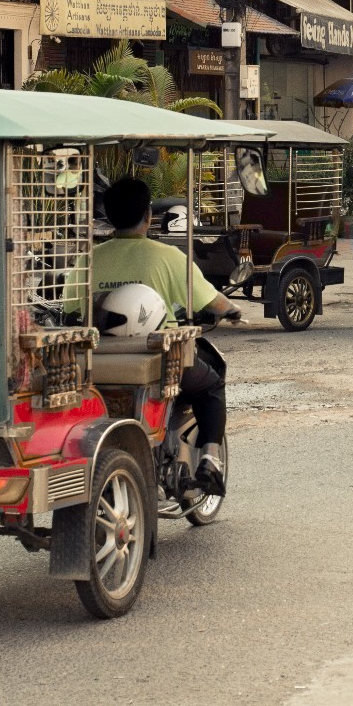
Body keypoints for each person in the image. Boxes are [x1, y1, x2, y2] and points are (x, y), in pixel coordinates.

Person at [92, 177, 235, 495]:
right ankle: (211, 460)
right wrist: (234, 312)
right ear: (147, 216)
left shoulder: (89, 260)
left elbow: (73, 309)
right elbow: (212, 301)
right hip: (161, 361)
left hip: (97, 363)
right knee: (211, 384)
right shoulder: (168, 257)